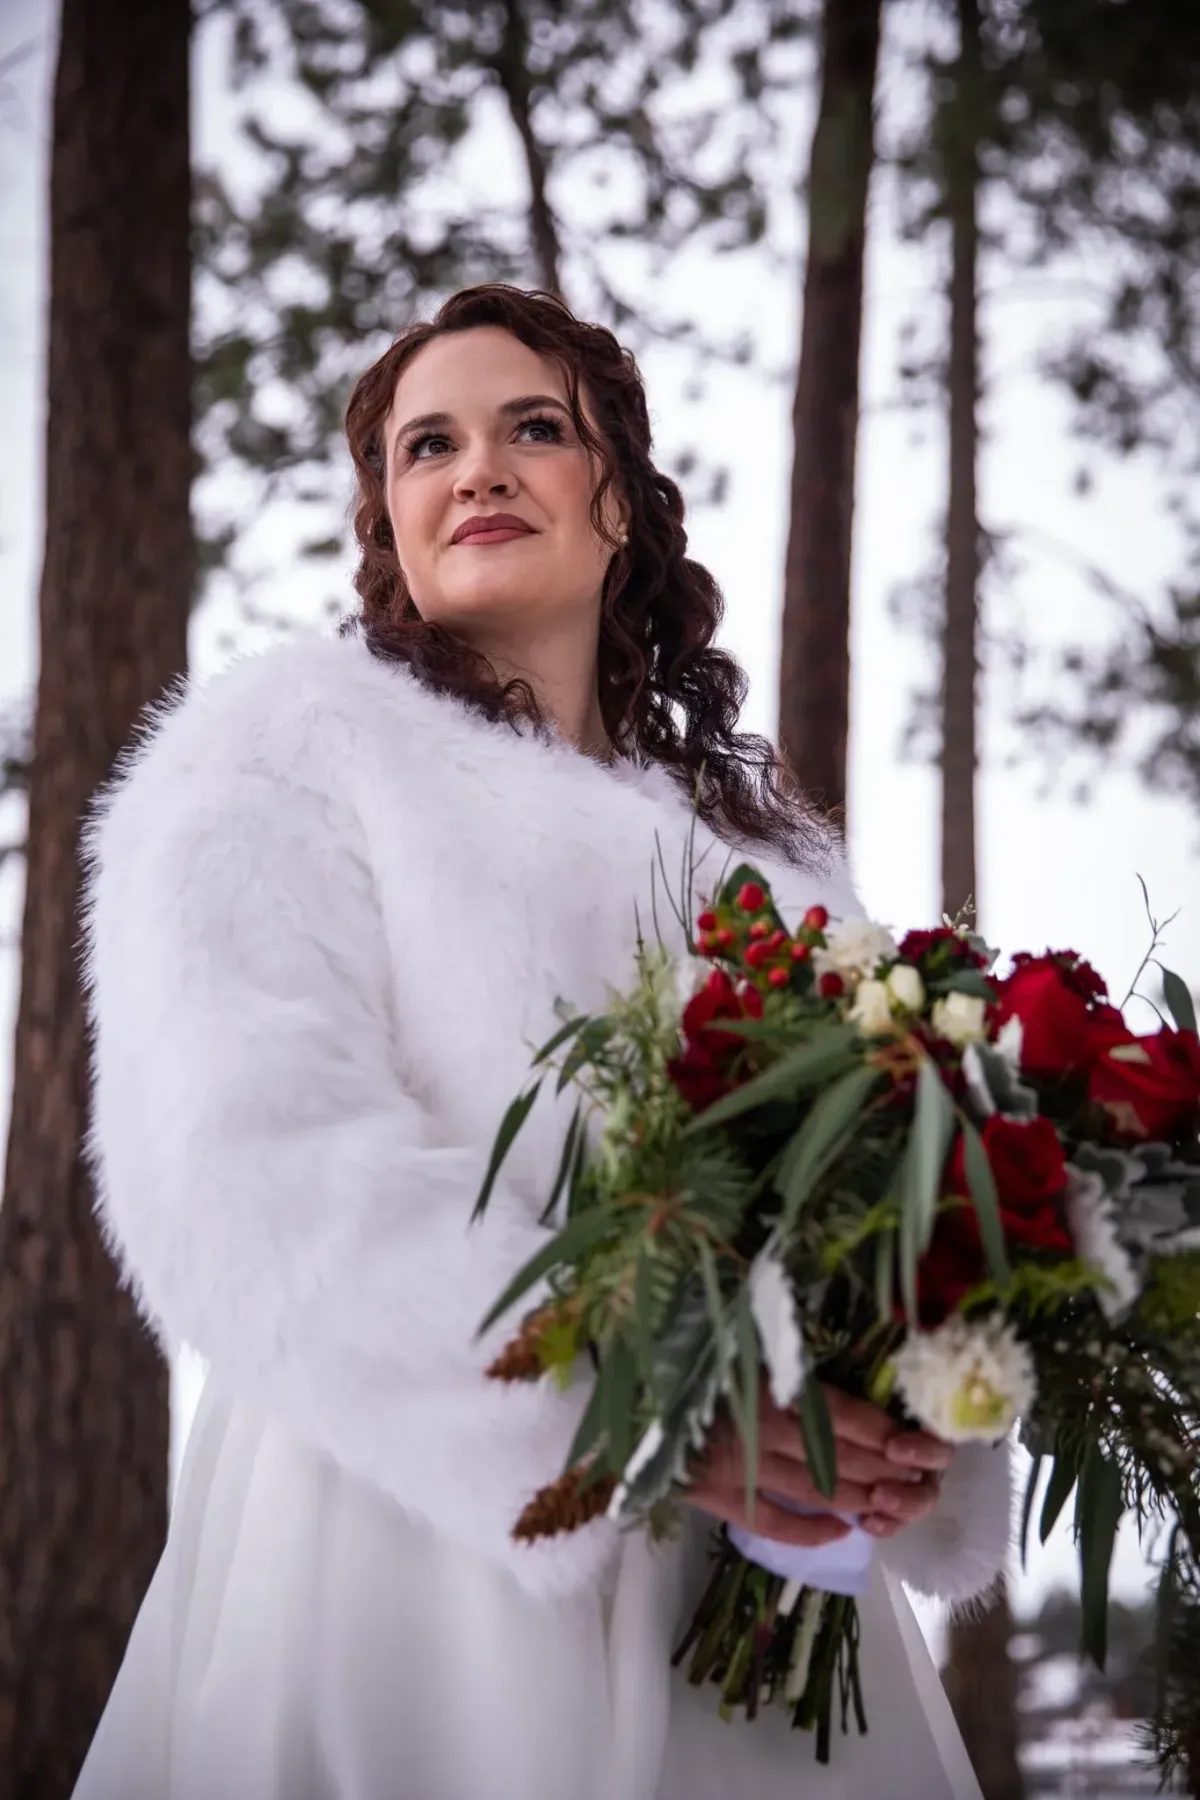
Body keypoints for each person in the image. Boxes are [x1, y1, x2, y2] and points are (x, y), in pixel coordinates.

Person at [72, 284, 1010, 1800]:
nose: (480, 471)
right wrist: (640, 1419)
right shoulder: (279, 752)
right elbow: (239, 1166)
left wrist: (913, 1414)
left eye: (534, 429)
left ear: (618, 501)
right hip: (411, 1544)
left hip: (765, 1576)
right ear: (389, 519)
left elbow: (884, 1199)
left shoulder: (773, 872)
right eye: (428, 446)